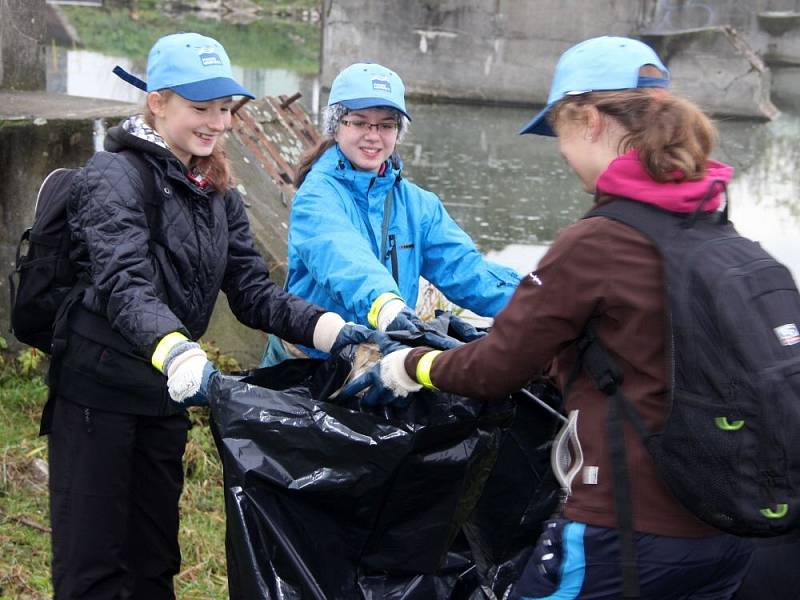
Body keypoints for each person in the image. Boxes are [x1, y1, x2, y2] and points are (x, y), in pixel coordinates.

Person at [350, 36, 754, 598]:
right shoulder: (720, 233)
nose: (561, 153)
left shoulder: (600, 241)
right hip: (729, 529)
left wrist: (409, 366)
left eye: (559, 133)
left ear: (588, 121)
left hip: (626, 528)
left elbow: (494, 369)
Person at [46, 32, 380, 599]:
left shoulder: (217, 190)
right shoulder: (112, 175)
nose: (218, 123)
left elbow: (253, 291)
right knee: (93, 564)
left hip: (164, 395)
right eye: (201, 109)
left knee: (154, 558)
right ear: (158, 102)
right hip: (96, 394)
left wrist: (336, 332)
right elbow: (125, 284)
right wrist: (178, 350)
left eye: (225, 109)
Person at [260, 61, 520, 366]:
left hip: (383, 360)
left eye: (386, 125)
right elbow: (343, 257)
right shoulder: (317, 196)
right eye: (359, 122)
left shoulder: (418, 205)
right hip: (309, 363)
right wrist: (385, 306)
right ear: (336, 126)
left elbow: (465, 270)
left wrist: (531, 301)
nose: (373, 135)